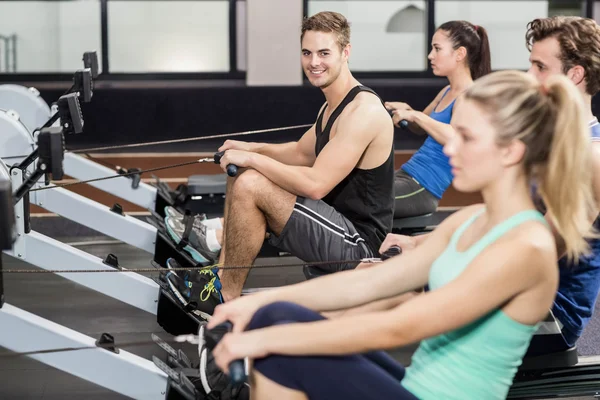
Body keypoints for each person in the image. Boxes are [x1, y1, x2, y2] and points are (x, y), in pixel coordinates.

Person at [206, 69, 596, 400]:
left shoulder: (526, 246)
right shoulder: (470, 220)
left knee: (278, 352)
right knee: (278, 314)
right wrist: (252, 306)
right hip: (415, 386)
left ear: (511, 151)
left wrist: (261, 342)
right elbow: (374, 282)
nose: (449, 147)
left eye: (466, 137)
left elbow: (404, 325)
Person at [379, 16, 600, 353]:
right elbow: (502, 221)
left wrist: (439, 256)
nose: (529, 77)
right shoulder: (545, 140)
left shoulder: (592, 155)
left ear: (575, 75)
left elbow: (538, 250)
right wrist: (424, 242)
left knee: (398, 305)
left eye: (540, 66)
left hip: (547, 312)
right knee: (389, 292)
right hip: (509, 284)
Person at [163, 11, 395, 318]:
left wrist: (253, 159)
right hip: (335, 223)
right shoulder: (332, 106)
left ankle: (224, 297)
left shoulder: (362, 111)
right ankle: (219, 277)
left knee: (251, 181)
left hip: (360, 246)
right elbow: (300, 153)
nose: (314, 62)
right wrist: (248, 148)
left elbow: (316, 184)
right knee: (245, 171)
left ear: (345, 52)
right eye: (307, 53)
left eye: (324, 53)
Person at [385, 20, 491, 218]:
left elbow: (456, 138)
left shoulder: (470, 96)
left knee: (362, 201)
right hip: (408, 174)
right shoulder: (447, 91)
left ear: (460, 54)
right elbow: (421, 127)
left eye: (437, 49)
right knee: (353, 190)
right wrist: (406, 110)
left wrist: (414, 114)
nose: (430, 56)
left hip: (423, 188)